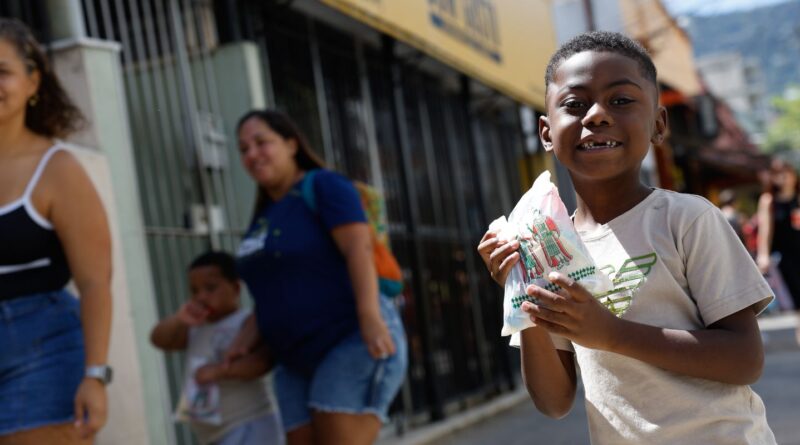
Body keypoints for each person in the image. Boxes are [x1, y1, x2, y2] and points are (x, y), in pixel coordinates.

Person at [477, 31, 776, 444]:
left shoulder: (686, 218)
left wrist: (611, 334)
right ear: (547, 132)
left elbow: (745, 359)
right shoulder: (549, 249)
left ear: (658, 124)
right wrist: (520, 289)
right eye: (574, 104)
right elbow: (554, 401)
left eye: (620, 100)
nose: (596, 115)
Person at [231, 109, 408, 445]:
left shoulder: (324, 185)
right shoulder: (264, 215)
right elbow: (275, 287)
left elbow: (359, 249)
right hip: (293, 356)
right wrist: (245, 339)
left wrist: (370, 316)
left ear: (291, 144)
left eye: (261, 142)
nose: (252, 154)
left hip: (351, 337)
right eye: (243, 149)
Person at [0, 18, 112, 444]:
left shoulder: (57, 169)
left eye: (2, 72)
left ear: (33, 81)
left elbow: (95, 281)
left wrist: (96, 375)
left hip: (43, 349)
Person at [150, 251, 283, 445]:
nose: (201, 297)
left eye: (210, 288)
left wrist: (220, 371)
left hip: (250, 425)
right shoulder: (196, 327)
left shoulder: (246, 323)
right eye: (194, 291)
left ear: (236, 288)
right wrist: (180, 319)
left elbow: (262, 362)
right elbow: (159, 339)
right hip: (212, 435)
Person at [756, 158, 800, 338]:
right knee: (797, 300)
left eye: (786, 173)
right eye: (778, 174)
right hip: (785, 258)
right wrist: (763, 255)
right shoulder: (768, 201)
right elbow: (765, 230)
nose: (783, 178)